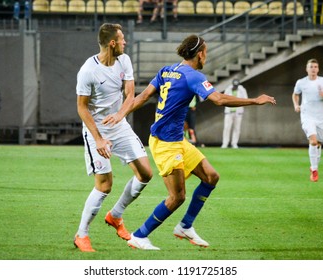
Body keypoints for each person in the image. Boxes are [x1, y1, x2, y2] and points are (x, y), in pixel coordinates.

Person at [125, 35, 276, 250]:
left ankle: (185, 226)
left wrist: (120, 113)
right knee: (177, 197)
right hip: (166, 143)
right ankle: (139, 236)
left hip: (176, 140)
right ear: (199, 53)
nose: (207, 55)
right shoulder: (193, 76)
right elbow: (219, 99)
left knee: (211, 177)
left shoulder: (166, 70)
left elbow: (141, 98)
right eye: (206, 51)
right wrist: (254, 100)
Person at [74, 23, 153, 252]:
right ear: (112, 43)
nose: (125, 43)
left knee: (146, 173)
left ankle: (115, 215)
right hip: (96, 130)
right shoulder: (88, 70)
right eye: (122, 39)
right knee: (105, 185)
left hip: (119, 126)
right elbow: (82, 108)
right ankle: (82, 235)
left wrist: (119, 115)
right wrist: (98, 139)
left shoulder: (124, 60)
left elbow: (130, 94)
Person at [292, 58, 323, 182]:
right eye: (311, 67)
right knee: (313, 141)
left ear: (318, 69)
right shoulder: (301, 82)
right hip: (307, 116)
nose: (313, 69)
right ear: (307, 69)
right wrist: (296, 105)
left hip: (321, 117)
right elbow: (295, 94)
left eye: (315, 67)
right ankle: (314, 170)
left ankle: (314, 167)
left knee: (319, 144)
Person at [221, 79, 248, 149]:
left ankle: (234, 143)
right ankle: (225, 143)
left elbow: (246, 99)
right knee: (227, 128)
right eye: (234, 85)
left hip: (238, 112)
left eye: (236, 86)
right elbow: (224, 98)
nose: (235, 87)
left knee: (237, 128)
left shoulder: (242, 89)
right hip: (228, 112)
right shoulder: (228, 89)